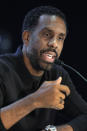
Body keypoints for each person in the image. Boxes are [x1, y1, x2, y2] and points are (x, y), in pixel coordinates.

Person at [0, 6, 87, 131]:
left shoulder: (57, 74)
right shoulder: (3, 69)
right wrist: (35, 100)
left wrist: (57, 130)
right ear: (27, 37)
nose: (54, 44)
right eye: (47, 34)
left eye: (60, 38)